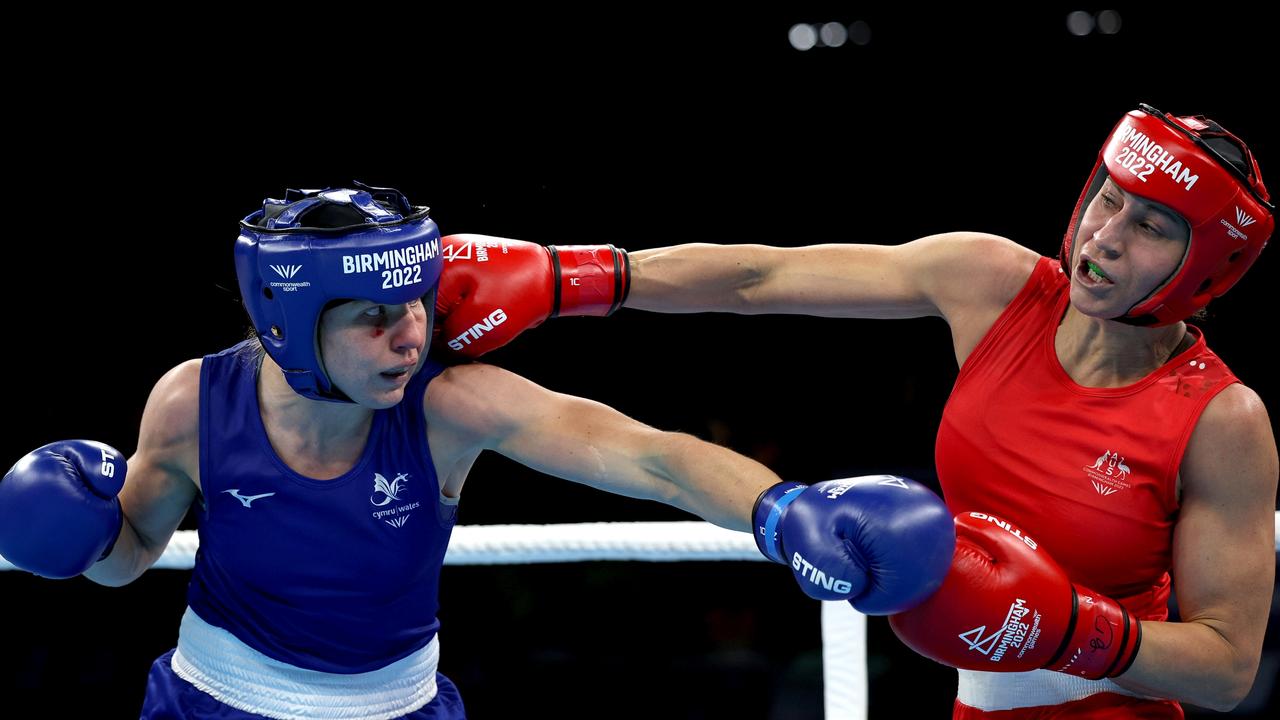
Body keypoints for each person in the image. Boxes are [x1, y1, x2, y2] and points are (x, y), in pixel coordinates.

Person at [429, 105, 1278, 717]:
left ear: (1207, 265)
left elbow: (1228, 667)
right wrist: (579, 275)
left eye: (1153, 226)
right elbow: (762, 279)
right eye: (1108, 198)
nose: (1105, 236)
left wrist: (1066, 630)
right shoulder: (994, 283)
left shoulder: (1221, 419)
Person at [0, 184, 956, 719]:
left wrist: (781, 508)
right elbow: (129, 560)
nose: (410, 336)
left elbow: (651, 455)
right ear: (290, 325)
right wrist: (79, 537)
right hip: (211, 702)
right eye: (374, 318)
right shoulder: (192, 404)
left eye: (415, 302)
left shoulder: (449, 406)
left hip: (401, 709)